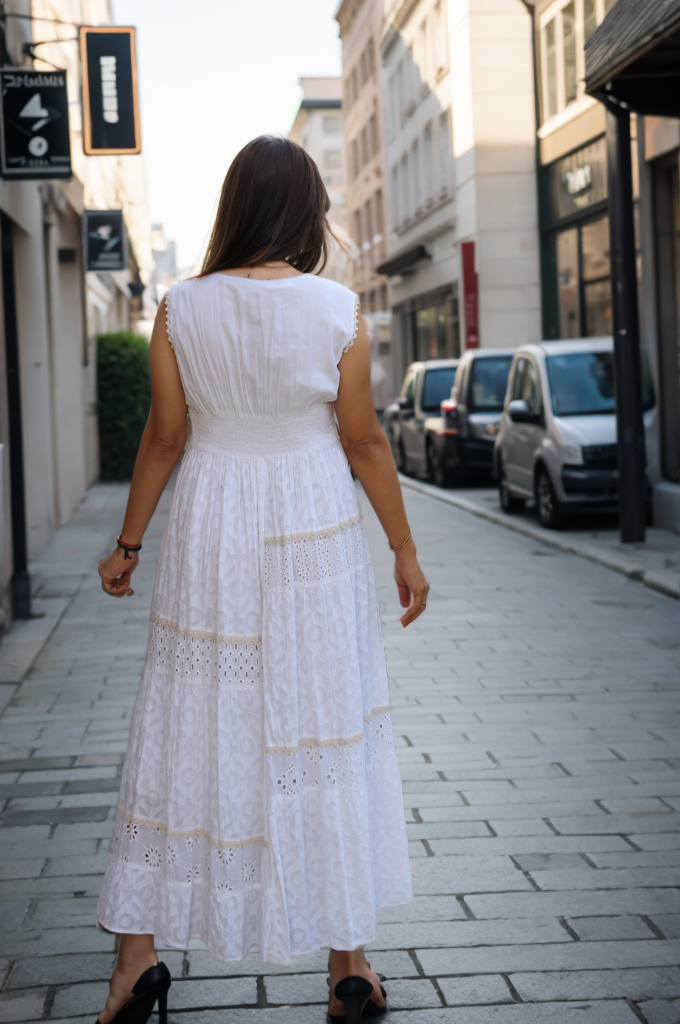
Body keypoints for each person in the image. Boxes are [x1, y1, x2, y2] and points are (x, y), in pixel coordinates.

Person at [95, 135, 429, 1024]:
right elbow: (362, 441)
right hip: (313, 529)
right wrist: (403, 548)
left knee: (185, 718)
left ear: (235, 208)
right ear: (307, 211)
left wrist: (128, 545)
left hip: (213, 525)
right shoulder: (336, 310)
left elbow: (165, 437)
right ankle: (348, 967)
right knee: (322, 724)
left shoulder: (178, 307)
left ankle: (136, 962)